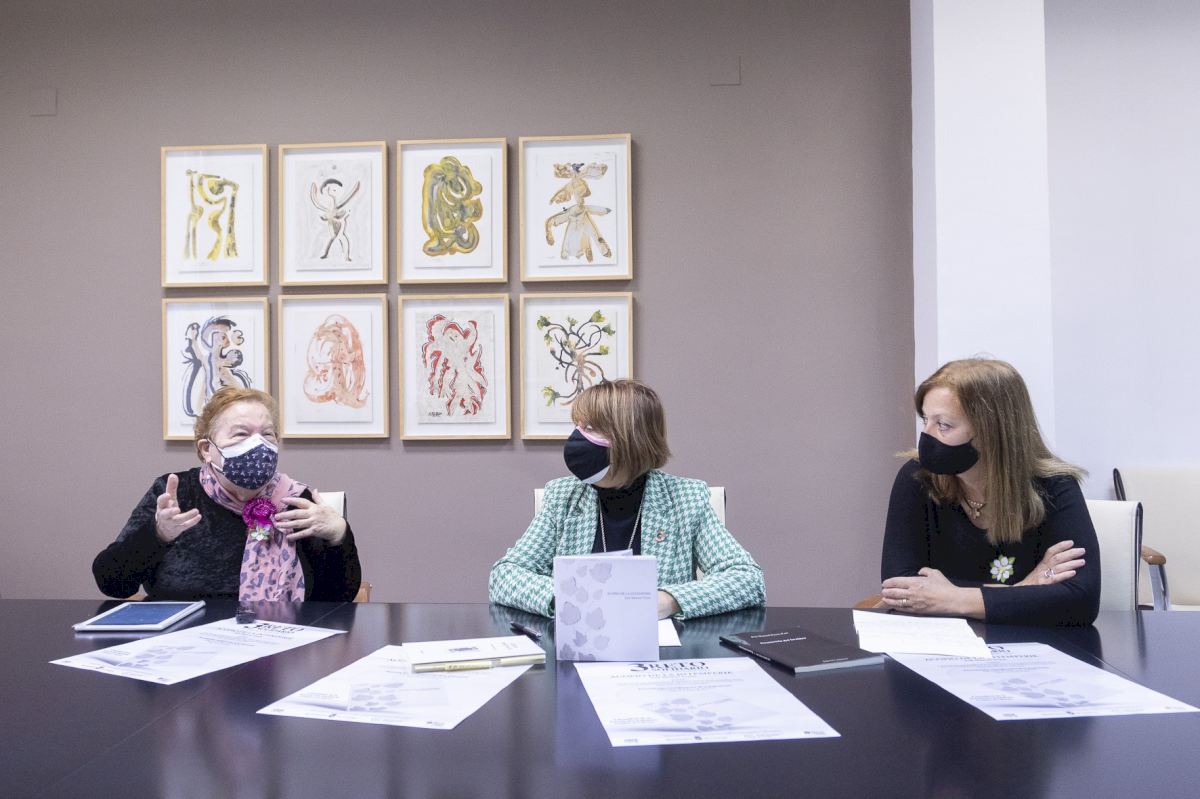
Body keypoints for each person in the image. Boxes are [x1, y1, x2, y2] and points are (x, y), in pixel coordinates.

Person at [489, 379, 765, 619]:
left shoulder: (686, 499)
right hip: (581, 645)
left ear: (631, 439)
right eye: (578, 426)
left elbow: (747, 578)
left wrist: (668, 601)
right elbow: (505, 575)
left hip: (660, 653)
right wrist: (567, 597)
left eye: (591, 427)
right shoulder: (563, 497)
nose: (577, 437)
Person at [879, 358, 1099, 625]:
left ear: (991, 432)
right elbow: (900, 587)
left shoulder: (1054, 485)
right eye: (925, 420)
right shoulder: (917, 477)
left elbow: (1081, 600)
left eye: (944, 425)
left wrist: (954, 599)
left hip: (1031, 645)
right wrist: (1025, 589)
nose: (926, 436)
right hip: (940, 643)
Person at [94, 387, 361, 601]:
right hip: (185, 642)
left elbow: (338, 598)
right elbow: (112, 583)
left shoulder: (296, 501)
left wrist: (339, 535)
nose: (258, 444)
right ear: (207, 449)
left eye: (267, 435)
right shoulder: (176, 494)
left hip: (276, 641)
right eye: (241, 434)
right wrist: (158, 535)